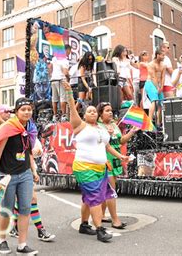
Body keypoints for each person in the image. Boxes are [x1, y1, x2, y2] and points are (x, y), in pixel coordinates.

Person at [62, 81, 129, 243]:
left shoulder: (101, 129)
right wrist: (70, 93)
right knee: (95, 198)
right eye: (89, 111)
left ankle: (84, 225)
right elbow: (72, 107)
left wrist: (120, 157)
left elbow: (106, 145)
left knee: (89, 197)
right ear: (84, 115)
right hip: (85, 167)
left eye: (94, 111)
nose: (92, 113)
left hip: (101, 167)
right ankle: (100, 229)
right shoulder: (80, 125)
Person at [0, 95, 56, 244]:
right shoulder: (8, 127)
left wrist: (33, 171)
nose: (27, 112)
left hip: (25, 174)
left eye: (29, 109)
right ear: (16, 111)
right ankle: (1, 240)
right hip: (7, 175)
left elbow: (28, 151)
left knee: (25, 208)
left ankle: (22, 244)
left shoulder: (30, 128)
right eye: (23, 109)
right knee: (7, 210)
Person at [97, 102, 138, 229]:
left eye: (111, 110)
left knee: (107, 189)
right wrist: (107, 134)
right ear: (100, 114)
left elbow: (120, 141)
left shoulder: (114, 125)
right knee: (111, 190)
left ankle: (101, 215)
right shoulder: (98, 127)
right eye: (107, 110)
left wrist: (131, 132)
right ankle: (115, 220)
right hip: (105, 162)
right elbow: (102, 143)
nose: (110, 112)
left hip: (116, 161)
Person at [144, 49, 166, 125]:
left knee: (161, 102)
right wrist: (157, 87)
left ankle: (158, 123)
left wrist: (162, 87)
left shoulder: (163, 65)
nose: (164, 57)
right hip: (150, 83)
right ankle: (149, 122)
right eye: (162, 55)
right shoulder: (151, 64)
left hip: (158, 85)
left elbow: (163, 77)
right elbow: (153, 77)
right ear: (157, 55)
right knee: (154, 101)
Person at [49, 46, 70, 121]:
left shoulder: (55, 58)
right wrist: (68, 76)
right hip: (61, 79)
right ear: (67, 51)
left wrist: (51, 75)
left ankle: (55, 116)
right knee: (62, 97)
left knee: (54, 99)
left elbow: (50, 66)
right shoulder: (65, 60)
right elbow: (65, 72)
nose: (69, 53)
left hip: (53, 79)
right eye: (69, 51)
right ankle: (63, 115)